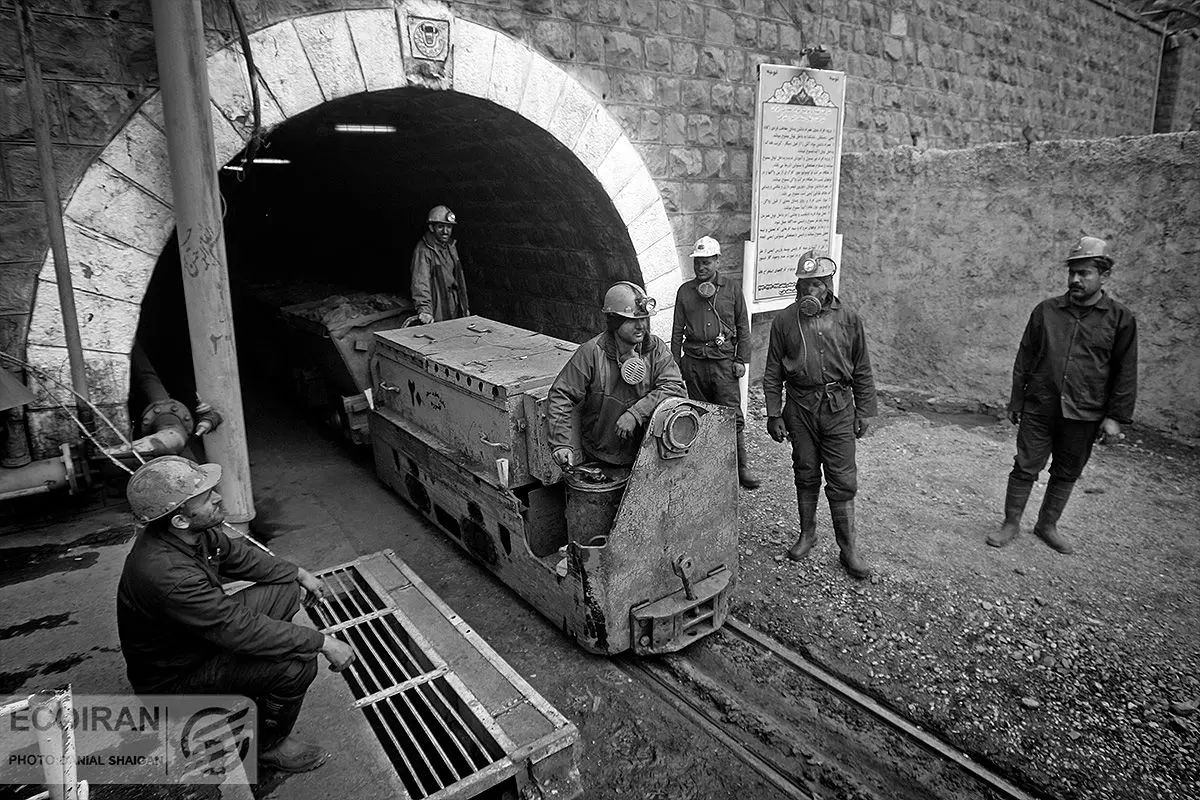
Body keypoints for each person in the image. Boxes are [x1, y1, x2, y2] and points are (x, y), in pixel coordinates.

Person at [117, 456, 356, 773]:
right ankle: (267, 747)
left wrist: (298, 573)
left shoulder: (191, 534)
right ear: (180, 520)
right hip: (175, 682)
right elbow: (240, 628)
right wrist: (323, 642)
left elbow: (241, 557)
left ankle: (254, 680)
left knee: (285, 587)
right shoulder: (168, 575)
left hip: (197, 643)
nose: (218, 498)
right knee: (296, 666)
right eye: (207, 498)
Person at [988, 235, 1137, 554]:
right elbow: (1025, 357)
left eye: (1084, 273)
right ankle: (1010, 524)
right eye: (1072, 272)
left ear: (1104, 275)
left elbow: (1125, 369)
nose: (1075, 279)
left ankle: (1047, 525)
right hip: (1040, 406)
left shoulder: (1120, 319)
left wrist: (1114, 417)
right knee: (1025, 465)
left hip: (1085, 412)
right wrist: (1017, 400)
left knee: (1067, 470)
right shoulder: (1046, 311)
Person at [763, 251, 877, 579]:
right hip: (800, 408)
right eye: (803, 284)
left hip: (839, 408)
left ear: (828, 285)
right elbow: (772, 372)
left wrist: (864, 411)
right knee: (806, 471)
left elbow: (862, 368)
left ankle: (848, 549)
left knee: (842, 479)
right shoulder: (785, 321)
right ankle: (807, 534)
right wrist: (774, 414)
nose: (808, 290)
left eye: (815, 284)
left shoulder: (849, 319)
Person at [547, 282, 686, 468]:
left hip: (648, 454)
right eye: (632, 320)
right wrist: (561, 444)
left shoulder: (656, 349)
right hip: (601, 454)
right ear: (614, 321)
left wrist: (636, 413)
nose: (641, 326)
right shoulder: (591, 352)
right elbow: (561, 394)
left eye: (644, 319)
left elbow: (675, 388)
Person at [671, 236, 760, 489]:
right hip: (694, 364)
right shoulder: (685, 292)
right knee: (699, 413)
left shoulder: (731, 289)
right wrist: (675, 365)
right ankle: (706, 469)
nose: (701, 267)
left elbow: (743, 327)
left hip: (723, 364)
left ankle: (740, 468)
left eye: (706, 262)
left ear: (717, 261)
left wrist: (741, 359)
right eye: (698, 262)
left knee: (731, 415)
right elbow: (677, 331)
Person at [411, 204, 469, 324]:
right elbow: (420, 282)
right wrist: (425, 310)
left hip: (454, 303)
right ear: (431, 227)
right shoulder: (424, 250)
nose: (445, 231)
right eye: (440, 227)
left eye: (449, 227)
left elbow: (459, 279)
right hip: (437, 307)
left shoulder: (451, 247)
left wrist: (464, 307)